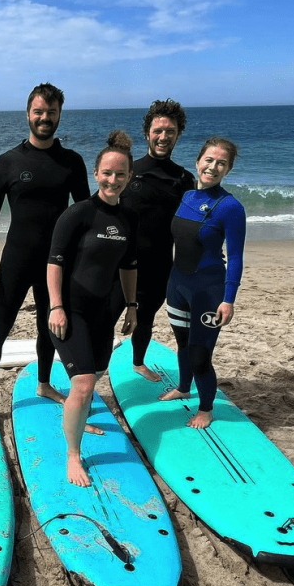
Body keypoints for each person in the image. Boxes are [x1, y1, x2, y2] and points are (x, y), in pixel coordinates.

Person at [0, 83, 90, 426]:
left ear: (59, 116)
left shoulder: (71, 162)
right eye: (39, 111)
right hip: (17, 260)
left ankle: (43, 384)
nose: (45, 118)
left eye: (51, 112)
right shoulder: (9, 162)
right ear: (28, 114)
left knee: (48, 328)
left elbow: (84, 214)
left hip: (56, 262)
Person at [47, 131, 139, 487]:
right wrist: (56, 307)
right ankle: (73, 454)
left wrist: (131, 306)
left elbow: (128, 266)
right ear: (96, 174)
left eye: (120, 174)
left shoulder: (129, 219)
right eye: (106, 173)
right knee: (84, 384)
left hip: (105, 310)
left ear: (129, 177)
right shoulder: (78, 214)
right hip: (70, 309)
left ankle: (77, 412)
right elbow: (54, 263)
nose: (112, 180)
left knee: (96, 372)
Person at [158, 137, 246, 429]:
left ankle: (206, 409)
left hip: (208, 290)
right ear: (198, 162)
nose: (213, 166)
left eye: (222, 163)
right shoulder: (185, 197)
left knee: (200, 354)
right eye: (209, 159)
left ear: (228, 170)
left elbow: (234, 256)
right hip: (177, 285)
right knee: (181, 343)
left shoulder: (230, 207)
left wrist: (228, 298)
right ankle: (184, 387)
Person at [112, 98, 195, 381]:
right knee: (104, 319)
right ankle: (90, 372)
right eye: (158, 130)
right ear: (147, 132)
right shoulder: (128, 170)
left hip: (159, 265)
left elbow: (188, 226)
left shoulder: (184, 179)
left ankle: (137, 362)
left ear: (178, 135)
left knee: (145, 319)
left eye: (170, 131)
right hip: (119, 264)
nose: (163, 136)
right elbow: (104, 211)